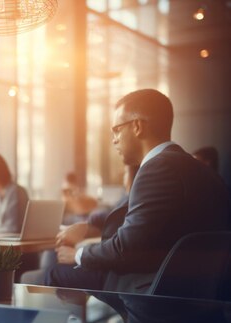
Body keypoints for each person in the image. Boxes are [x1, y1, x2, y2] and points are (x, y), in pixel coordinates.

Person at [48, 89, 229, 293]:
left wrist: (79, 254)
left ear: (137, 126)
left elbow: (126, 250)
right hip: (197, 291)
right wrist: (90, 229)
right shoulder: (204, 172)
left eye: (116, 129)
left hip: (154, 288)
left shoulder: (157, 168)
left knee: (54, 272)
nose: (114, 139)